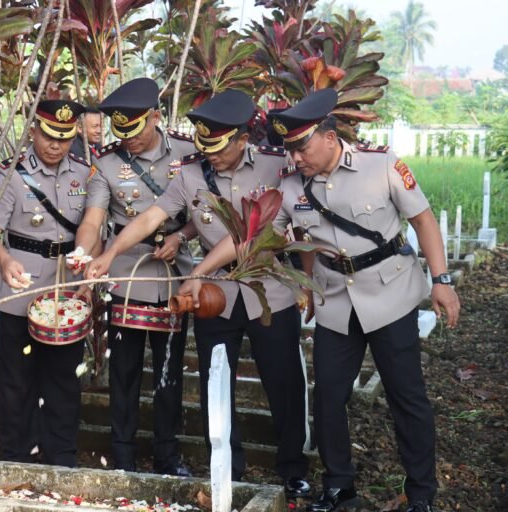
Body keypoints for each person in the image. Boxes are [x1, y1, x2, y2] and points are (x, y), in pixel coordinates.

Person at [87, 90, 313, 495]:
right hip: (215, 298)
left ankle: (293, 470)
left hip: (270, 290)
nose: (212, 156)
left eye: (220, 148)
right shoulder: (191, 172)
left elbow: (261, 231)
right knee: (216, 386)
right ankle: (228, 469)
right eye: (206, 147)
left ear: (242, 139)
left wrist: (306, 281)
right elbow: (150, 218)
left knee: (284, 384)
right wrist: (110, 254)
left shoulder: (275, 165)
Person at [267, 89, 460, 512]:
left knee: (406, 396)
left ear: (329, 137)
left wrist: (441, 280)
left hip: (390, 293)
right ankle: (340, 485)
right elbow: (271, 236)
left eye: (302, 148)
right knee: (328, 396)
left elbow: (423, 219)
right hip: (336, 301)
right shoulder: (290, 186)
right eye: (290, 150)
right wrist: (299, 281)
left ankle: (421, 493)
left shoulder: (381, 164)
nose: (296, 158)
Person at [75, 77, 197, 476]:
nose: (128, 139)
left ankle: (167, 454)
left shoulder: (188, 152)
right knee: (124, 373)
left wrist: (182, 236)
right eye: (121, 132)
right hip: (126, 275)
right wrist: (86, 255)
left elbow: (205, 213)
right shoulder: (108, 163)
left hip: (174, 276)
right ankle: (123, 454)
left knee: (169, 373)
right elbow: (93, 220)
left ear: (156, 117)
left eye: (136, 130)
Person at [0, 99, 90, 467]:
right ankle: (16, 454)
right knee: (18, 377)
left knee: (64, 375)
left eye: (64, 138)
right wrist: (4, 260)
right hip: (20, 286)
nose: (55, 146)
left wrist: (88, 272)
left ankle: (61, 455)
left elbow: (94, 228)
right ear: (33, 132)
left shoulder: (83, 173)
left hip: (67, 287)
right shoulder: (10, 174)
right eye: (48, 136)